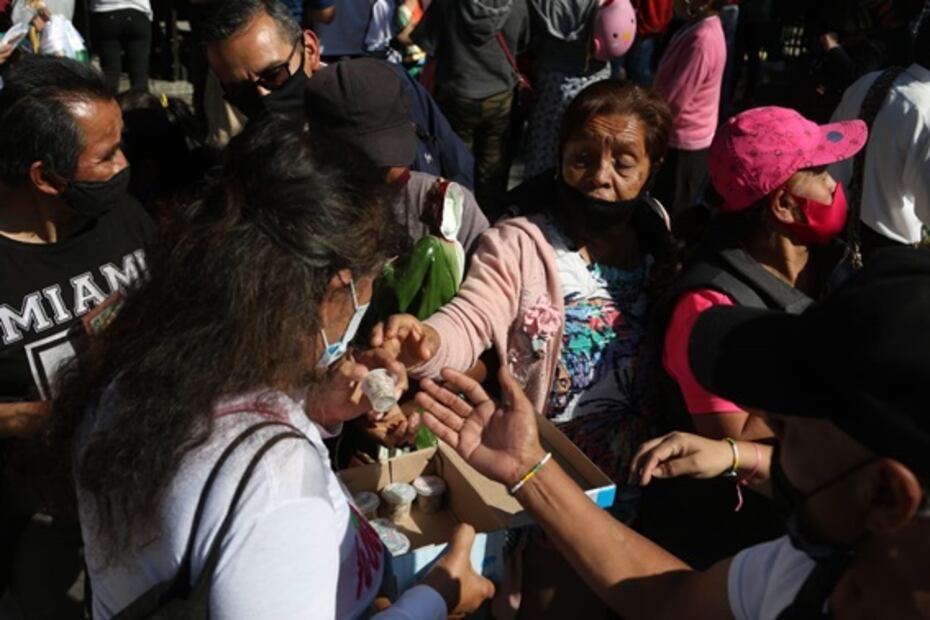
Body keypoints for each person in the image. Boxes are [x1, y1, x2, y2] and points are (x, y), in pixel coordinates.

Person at [61, 118, 494, 619]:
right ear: (339, 286)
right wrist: (436, 595)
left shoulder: (134, 366)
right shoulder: (278, 484)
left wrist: (314, 405)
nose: (369, 302)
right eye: (372, 282)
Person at [416, 245, 930, 619]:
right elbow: (671, 598)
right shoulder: (814, 566)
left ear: (887, 495)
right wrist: (528, 469)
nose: (768, 437)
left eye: (787, 432)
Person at [373, 79, 673, 617]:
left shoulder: (660, 243)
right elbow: (472, 315)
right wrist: (429, 341)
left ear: (654, 167)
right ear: (559, 157)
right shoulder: (518, 244)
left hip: (632, 486)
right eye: (583, 157)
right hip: (543, 487)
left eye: (624, 162)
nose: (600, 177)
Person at [0, 55, 154, 619]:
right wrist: (29, 418)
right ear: (45, 176)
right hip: (38, 516)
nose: (124, 165)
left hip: (141, 493)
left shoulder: (122, 218)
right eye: (106, 156)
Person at [202, 0, 476, 189]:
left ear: (309, 49)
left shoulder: (390, 87)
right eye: (240, 91)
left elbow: (456, 163)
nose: (262, 95)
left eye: (274, 75)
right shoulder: (251, 167)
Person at [303, 58, 489, 254]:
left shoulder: (449, 207)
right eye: (368, 165)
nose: (393, 173)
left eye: (391, 152)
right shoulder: (302, 218)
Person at [411, 0, 530, 218]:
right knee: (492, 169)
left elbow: (426, 42)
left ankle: (456, 217)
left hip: (457, 93)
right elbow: (523, 42)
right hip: (500, 95)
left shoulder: (448, 5)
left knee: (455, 162)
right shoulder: (518, 4)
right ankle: (488, 220)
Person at [828, 16, 930, 256]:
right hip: (887, 251)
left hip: (835, 225)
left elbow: (829, 152)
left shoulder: (867, 82)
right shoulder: (925, 111)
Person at [522, 0, 611, 179]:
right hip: (596, 78)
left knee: (544, 150)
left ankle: (538, 196)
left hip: (553, 80)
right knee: (586, 149)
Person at [652, 0, 726, 215]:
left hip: (685, 141)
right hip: (683, 135)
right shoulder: (697, 27)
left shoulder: (702, 39)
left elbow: (676, 99)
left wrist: (650, 126)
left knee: (672, 210)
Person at [89, 0, 153, 92]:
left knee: (110, 71)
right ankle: (141, 103)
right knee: (140, 75)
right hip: (138, 10)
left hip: (105, 11)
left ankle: (109, 103)